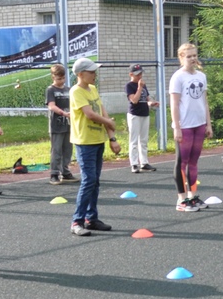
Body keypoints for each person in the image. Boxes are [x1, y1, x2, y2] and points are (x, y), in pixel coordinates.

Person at [69, 57, 121, 235]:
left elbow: (101, 110)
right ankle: (77, 221)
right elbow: (90, 114)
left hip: (98, 140)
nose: (94, 74)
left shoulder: (92, 89)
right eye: (91, 72)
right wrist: (108, 122)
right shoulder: (76, 91)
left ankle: (91, 218)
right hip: (85, 142)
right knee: (88, 180)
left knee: (95, 181)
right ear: (80, 74)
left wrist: (112, 137)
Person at [170, 42, 213, 211]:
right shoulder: (178, 77)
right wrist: (177, 127)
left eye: (195, 55)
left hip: (199, 124)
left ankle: (192, 196)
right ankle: (181, 200)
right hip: (185, 126)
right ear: (181, 58)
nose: (193, 59)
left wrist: (208, 123)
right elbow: (174, 104)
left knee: (194, 162)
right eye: (189, 56)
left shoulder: (201, 76)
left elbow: (204, 101)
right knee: (182, 162)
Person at [45, 63, 76, 185]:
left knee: (67, 150)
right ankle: (54, 173)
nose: (61, 81)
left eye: (63, 78)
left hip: (68, 125)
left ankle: (65, 172)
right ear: (53, 77)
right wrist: (63, 113)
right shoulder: (51, 90)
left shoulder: (68, 90)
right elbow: (51, 106)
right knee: (56, 150)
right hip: (56, 126)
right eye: (59, 79)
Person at [125, 64, 158, 173]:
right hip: (134, 114)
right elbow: (134, 100)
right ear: (131, 74)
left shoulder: (144, 85)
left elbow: (146, 99)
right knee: (134, 140)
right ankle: (134, 163)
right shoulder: (129, 86)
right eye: (137, 74)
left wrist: (151, 103)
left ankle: (144, 162)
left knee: (143, 140)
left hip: (144, 113)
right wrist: (139, 87)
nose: (140, 76)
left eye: (140, 73)